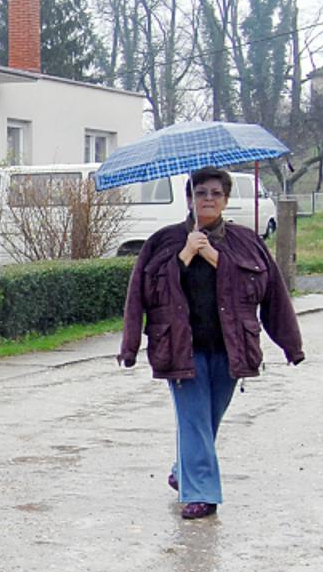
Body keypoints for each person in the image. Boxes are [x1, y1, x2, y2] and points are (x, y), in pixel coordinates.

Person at [119, 165, 304, 519]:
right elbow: (142, 294)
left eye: (215, 194)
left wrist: (291, 345)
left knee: (209, 420)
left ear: (226, 200)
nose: (207, 199)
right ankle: (202, 493)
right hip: (179, 349)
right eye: (200, 192)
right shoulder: (164, 241)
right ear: (189, 198)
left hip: (232, 348)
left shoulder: (246, 242)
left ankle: (183, 470)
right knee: (195, 421)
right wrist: (186, 254)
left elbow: (271, 294)